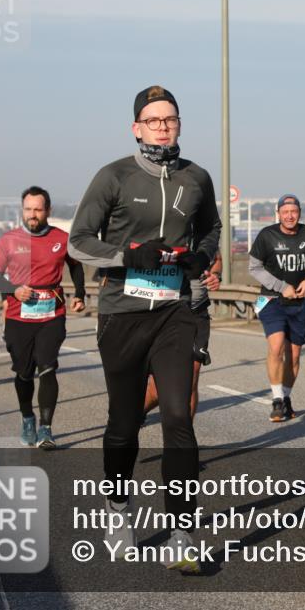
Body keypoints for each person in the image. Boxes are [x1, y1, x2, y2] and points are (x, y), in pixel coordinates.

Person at [69, 85, 221, 572]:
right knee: (124, 423)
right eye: (153, 120)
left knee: (178, 415)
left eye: (170, 119)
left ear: (179, 124)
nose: (162, 126)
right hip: (122, 313)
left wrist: (201, 255)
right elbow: (77, 243)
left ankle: (181, 529)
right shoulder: (112, 176)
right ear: (137, 127)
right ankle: (118, 509)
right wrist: (125, 255)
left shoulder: (197, 178)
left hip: (175, 311)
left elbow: (213, 227)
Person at [0, 187, 86, 449]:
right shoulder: (9, 239)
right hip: (18, 316)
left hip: (51, 314)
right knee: (24, 373)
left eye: (37, 209)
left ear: (48, 211)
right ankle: (27, 417)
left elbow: (76, 266)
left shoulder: (61, 238)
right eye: (28, 209)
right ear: (23, 210)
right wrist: (14, 289)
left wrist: (80, 293)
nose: (32, 215)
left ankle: (46, 429)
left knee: (47, 366)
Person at [249, 194, 305, 422]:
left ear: (300, 213)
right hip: (272, 301)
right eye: (285, 212)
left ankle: (285, 397)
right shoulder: (267, 235)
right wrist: (281, 286)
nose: (290, 216)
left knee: (293, 357)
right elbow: (254, 267)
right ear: (279, 214)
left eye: (293, 212)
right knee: (276, 348)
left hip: (299, 303)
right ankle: (276, 400)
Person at [142, 250, 223, 421]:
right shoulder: (167, 229)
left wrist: (215, 275)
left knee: (190, 380)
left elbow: (216, 258)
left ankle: (185, 439)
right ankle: (137, 412)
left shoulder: (205, 231)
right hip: (164, 311)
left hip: (197, 313)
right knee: (159, 389)